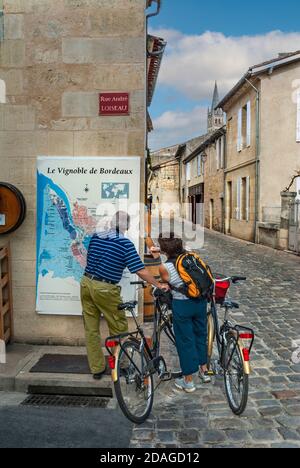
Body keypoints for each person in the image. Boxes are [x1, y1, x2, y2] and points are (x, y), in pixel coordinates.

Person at [81, 211, 168, 380]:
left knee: (91, 329)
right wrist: (158, 284)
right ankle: (123, 367)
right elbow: (140, 270)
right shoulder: (124, 243)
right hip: (105, 288)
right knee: (119, 328)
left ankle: (97, 369)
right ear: (126, 227)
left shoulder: (97, 236)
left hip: (85, 283)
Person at [152, 233, 211, 393]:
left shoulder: (165, 267)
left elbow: (166, 283)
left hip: (182, 305)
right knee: (201, 335)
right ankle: (204, 371)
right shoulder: (190, 256)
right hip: (200, 302)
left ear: (164, 250)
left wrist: (158, 258)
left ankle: (188, 381)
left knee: (185, 341)